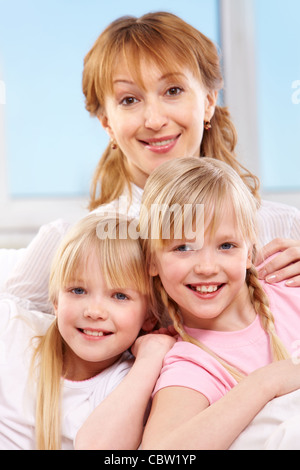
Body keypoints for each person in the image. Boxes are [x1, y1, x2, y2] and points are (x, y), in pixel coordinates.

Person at [1, 12, 300, 316]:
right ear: (107, 122)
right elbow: (12, 328)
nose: (155, 121)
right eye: (129, 100)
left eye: (173, 91)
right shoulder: (67, 241)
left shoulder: (283, 228)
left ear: (209, 101)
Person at [139, 157, 300, 450]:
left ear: (249, 253)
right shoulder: (192, 362)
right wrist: (266, 383)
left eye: (226, 246)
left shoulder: (290, 289)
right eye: (183, 247)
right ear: (152, 261)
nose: (206, 267)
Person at [0, 213, 175, 450]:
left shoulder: (129, 382)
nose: (94, 311)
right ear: (56, 300)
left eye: (120, 296)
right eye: (78, 290)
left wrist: (151, 357)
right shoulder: (12, 328)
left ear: (149, 316)